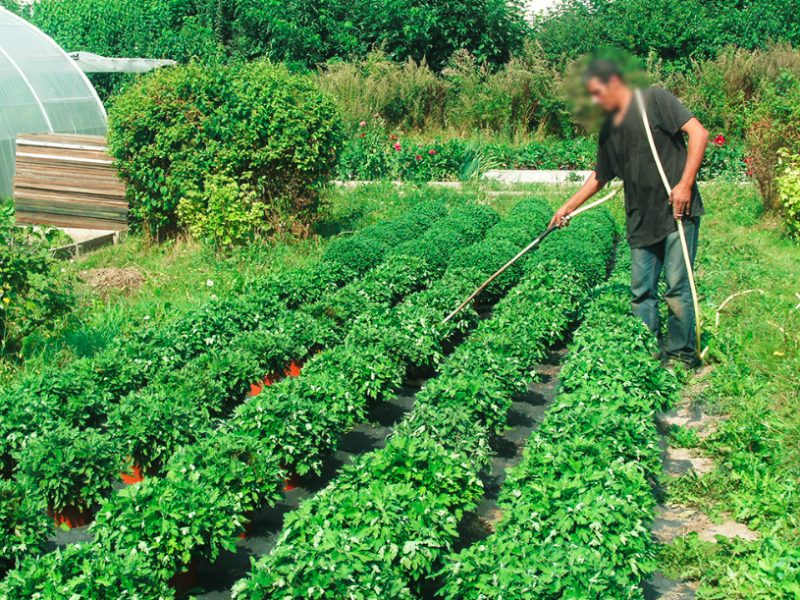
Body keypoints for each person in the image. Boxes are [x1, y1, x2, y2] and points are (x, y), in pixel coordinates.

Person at [551, 60, 708, 367]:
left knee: (677, 288)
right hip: (640, 216)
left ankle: (681, 356)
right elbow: (600, 176)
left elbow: (699, 134)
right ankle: (646, 355)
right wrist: (567, 207)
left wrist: (685, 184)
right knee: (641, 292)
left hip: (676, 210)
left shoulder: (654, 100)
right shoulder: (608, 129)